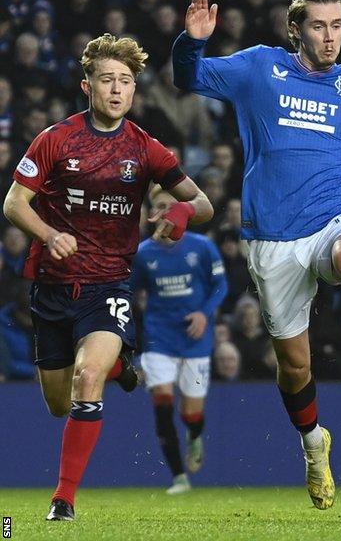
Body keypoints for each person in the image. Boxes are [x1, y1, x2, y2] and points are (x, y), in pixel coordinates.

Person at [171, 0, 341, 510]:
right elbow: (188, 77)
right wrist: (192, 41)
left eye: (337, 26)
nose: (330, 37)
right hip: (272, 237)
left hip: (333, 215)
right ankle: (313, 444)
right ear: (296, 30)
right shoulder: (259, 66)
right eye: (318, 27)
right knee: (296, 367)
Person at [3, 33, 213, 521]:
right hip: (53, 288)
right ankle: (123, 367)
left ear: (134, 91)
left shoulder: (145, 148)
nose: (117, 89)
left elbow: (202, 203)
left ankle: (64, 499)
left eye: (125, 81)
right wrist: (49, 233)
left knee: (86, 376)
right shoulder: (55, 139)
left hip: (109, 287)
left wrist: (180, 214)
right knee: (59, 404)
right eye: (107, 80)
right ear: (87, 85)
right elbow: (13, 203)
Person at [131, 186, 228, 495]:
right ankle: (178, 477)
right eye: (159, 206)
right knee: (162, 402)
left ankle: (195, 435)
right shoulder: (143, 253)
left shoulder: (201, 247)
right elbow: (130, 294)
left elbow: (220, 286)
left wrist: (204, 313)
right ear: (151, 214)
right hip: (159, 336)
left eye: (170, 206)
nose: (165, 212)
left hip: (195, 339)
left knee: (191, 414)